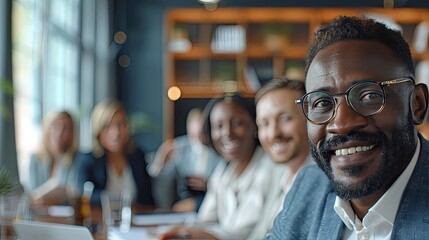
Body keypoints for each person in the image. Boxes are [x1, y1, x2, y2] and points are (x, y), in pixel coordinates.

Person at [266, 16, 429, 239]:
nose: (341, 124)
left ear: (417, 104)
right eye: (322, 103)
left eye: (369, 95)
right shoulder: (309, 186)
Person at [159, 93, 273, 240]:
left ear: (254, 125)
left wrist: (189, 234)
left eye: (237, 123)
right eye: (218, 126)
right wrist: (180, 231)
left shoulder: (268, 167)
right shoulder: (224, 170)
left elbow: (241, 234)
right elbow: (206, 219)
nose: (227, 132)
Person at [247, 78, 313, 239]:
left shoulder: (321, 182)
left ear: (310, 118)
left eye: (285, 118)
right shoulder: (277, 174)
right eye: (265, 123)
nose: (273, 134)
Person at [75, 99, 155, 208]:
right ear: (98, 131)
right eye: (107, 126)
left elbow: (149, 201)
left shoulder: (138, 157)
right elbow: (84, 196)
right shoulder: (88, 161)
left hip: (136, 221)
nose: (115, 132)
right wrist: (113, 200)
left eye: (120, 124)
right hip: (101, 222)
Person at [148, 108, 221, 212]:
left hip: (210, 201)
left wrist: (208, 184)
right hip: (181, 200)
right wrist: (160, 163)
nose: (199, 139)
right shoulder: (178, 147)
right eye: (195, 135)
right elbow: (159, 178)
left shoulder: (217, 149)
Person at [28, 110, 79, 205]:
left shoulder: (77, 159)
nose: (59, 132)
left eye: (66, 128)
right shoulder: (35, 159)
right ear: (47, 128)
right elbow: (32, 195)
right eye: (55, 126)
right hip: (38, 215)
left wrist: (50, 201)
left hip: (65, 216)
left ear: (72, 133)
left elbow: (75, 195)